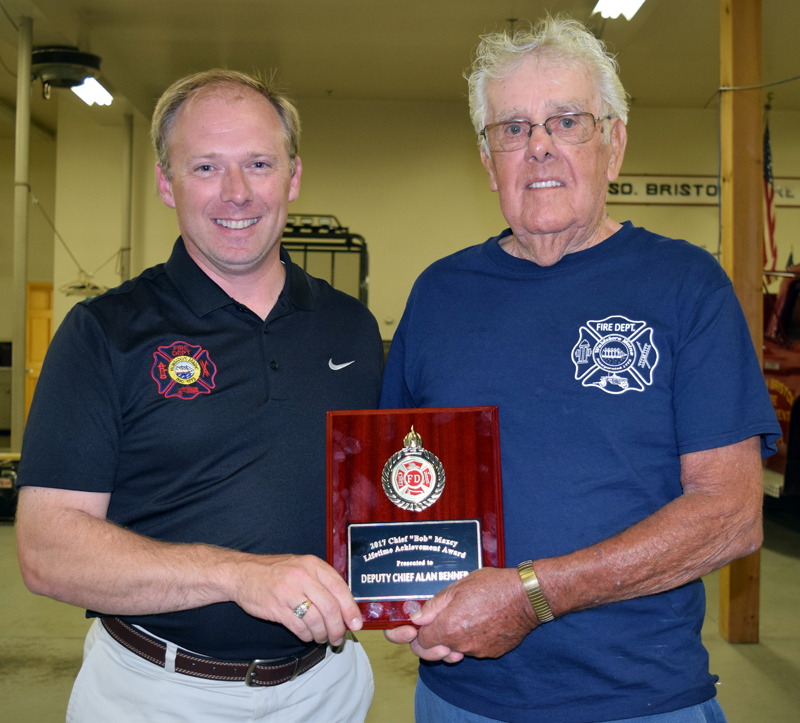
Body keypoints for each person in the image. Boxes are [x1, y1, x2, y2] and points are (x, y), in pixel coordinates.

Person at [381, 17, 780, 723]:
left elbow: (731, 514)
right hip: (462, 697)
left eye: (567, 121)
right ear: (486, 156)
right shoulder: (438, 294)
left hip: (641, 699)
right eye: (512, 128)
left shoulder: (687, 285)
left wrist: (533, 594)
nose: (538, 147)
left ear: (614, 142)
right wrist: (399, 594)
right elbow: (396, 492)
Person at [15, 69, 383, 722]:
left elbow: (382, 498)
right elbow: (46, 550)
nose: (236, 193)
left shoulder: (350, 325)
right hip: (155, 694)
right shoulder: (105, 333)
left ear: (293, 177)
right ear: (166, 181)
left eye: (259, 164)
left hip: (328, 688)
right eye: (207, 166)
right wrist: (240, 575)